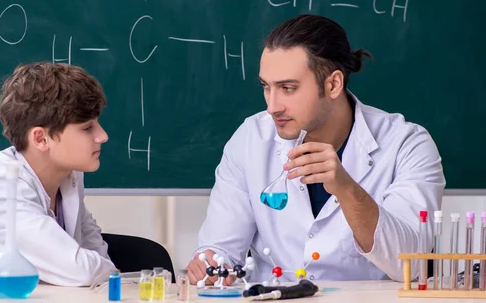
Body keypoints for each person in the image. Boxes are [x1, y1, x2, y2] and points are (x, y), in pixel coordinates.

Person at [187, 14, 445, 284]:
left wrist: (346, 189)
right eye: (266, 87)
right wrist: (212, 263)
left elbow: (411, 264)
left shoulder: (406, 144)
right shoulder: (250, 139)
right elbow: (220, 248)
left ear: (333, 84)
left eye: (288, 88)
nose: (272, 106)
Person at [0, 62, 116, 286]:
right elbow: (83, 271)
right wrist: (101, 270)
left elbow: (101, 263)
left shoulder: (69, 178)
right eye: (87, 128)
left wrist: (102, 270)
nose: (102, 136)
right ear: (40, 139)